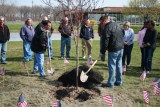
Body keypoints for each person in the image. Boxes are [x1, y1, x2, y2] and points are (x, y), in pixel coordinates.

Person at [100, 16, 124, 88]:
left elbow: (105, 41)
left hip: (114, 49)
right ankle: (119, 82)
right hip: (121, 48)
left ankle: (110, 84)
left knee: (112, 66)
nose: (101, 24)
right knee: (119, 65)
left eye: (101, 22)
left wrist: (102, 51)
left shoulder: (106, 28)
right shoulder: (117, 24)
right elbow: (123, 33)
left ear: (105, 20)